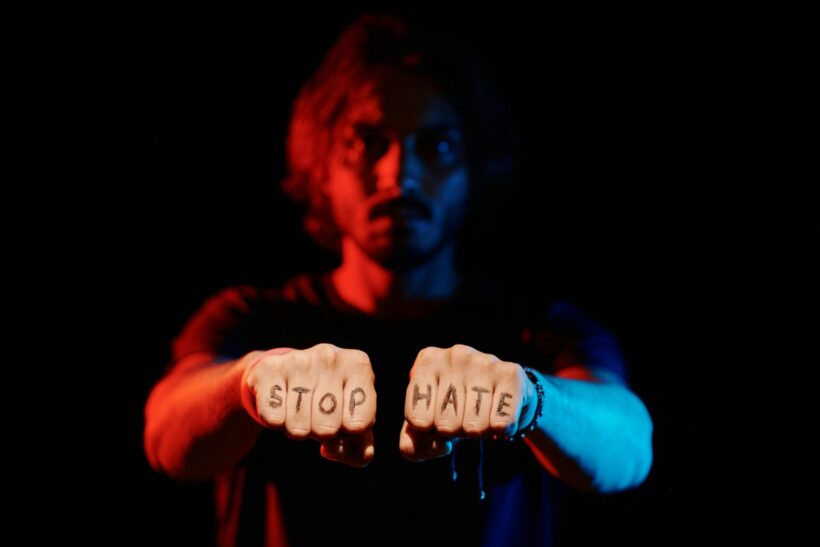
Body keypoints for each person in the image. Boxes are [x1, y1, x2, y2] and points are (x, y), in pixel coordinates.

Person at [144, 14, 653, 547]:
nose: (400, 176)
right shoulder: (249, 318)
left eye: (437, 147)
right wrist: (247, 384)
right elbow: (165, 438)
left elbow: (630, 448)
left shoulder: (540, 327)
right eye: (367, 143)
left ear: (474, 168)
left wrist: (529, 399)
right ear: (322, 166)